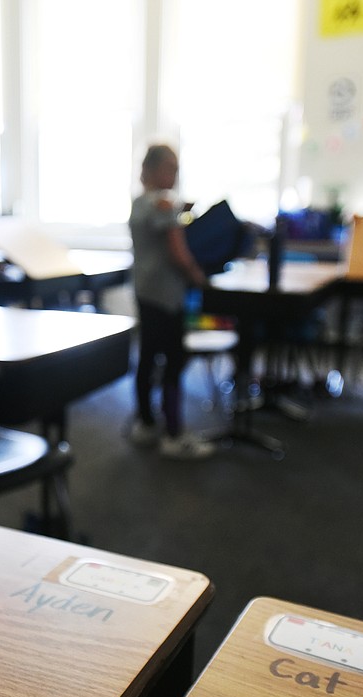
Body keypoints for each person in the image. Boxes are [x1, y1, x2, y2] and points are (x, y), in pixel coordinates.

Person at [128, 144, 214, 460]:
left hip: (145, 290)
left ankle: (146, 423)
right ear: (151, 169)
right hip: (165, 295)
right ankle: (174, 433)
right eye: (170, 168)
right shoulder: (163, 204)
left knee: (148, 356)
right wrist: (196, 275)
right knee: (174, 360)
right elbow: (177, 250)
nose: (174, 175)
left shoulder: (140, 203)